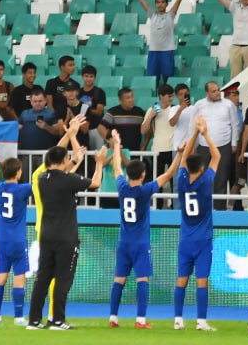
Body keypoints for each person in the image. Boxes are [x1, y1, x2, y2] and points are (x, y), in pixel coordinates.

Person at [26, 140, 105, 330]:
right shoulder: (68, 180)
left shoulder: (42, 178)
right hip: (66, 237)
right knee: (63, 278)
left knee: (43, 278)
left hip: (46, 235)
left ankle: (34, 320)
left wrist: (74, 161)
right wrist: (99, 163)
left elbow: (60, 175)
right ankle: (57, 320)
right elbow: (95, 182)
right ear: (64, 160)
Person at [111, 130, 181, 329]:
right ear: (143, 175)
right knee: (142, 279)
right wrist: (180, 155)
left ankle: (113, 318)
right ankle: (140, 319)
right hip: (140, 244)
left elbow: (116, 167)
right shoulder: (145, 190)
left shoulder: (122, 188)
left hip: (123, 242)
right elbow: (168, 175)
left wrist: (116, 145)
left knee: (119, 280)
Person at [172, 116, 220, 332]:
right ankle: (201, 321)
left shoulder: (181, 180)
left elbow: (183, 159)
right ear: (201, 168)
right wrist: (205, 133)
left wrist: (193, 134)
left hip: (185, 239)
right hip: (203, 240)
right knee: (202, 280)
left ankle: (178, 320)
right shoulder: (205, 181)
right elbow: (217, 156)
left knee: (181, 280)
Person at [0, 148, 33, 326]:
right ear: (18, 172)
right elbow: (42, 184)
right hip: (18, 241)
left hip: (2, 241)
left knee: (1, 278)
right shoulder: (23, 189)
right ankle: (18, 317)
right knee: (19, 278)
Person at [128, 0, 193, 85]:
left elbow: (178, 1)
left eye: (162, 2)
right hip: (153, 52)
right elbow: (142, 1)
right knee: (153, 80)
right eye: (158, 2)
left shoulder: (170, 15)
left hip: (167, 52)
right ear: (155, 4)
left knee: (168, 79)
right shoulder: (152, 15)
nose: (160, 4)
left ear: (166, 4)